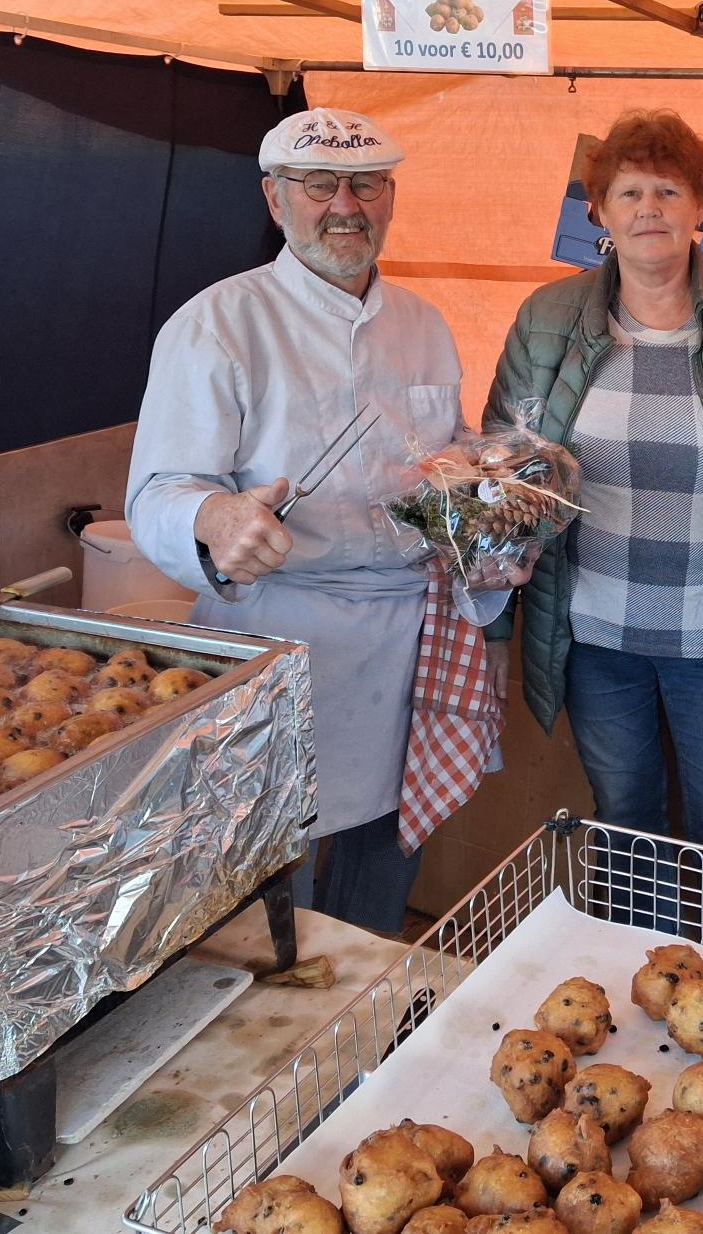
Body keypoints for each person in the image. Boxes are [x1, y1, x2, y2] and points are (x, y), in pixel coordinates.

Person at [485, 109, 703, 935]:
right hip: (594, 631)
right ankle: (647, 986)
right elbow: (501, 467)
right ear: (600, 212)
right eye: (629, 191)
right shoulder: (549, 318)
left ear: (700, 207)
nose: (649, 207)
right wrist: (491, 589)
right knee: (625, 824)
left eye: (669, 190)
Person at [126, 106, 464, 935]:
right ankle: (288, 1046)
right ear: (276, 201)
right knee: (272, 879)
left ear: (390, 199)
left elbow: (453, 457)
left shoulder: (424, 323)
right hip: (280, 634)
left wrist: (486, 489)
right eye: (320, 185)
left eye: (368, 185)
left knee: (387, 857)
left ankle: (371, 1027)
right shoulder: (217, 323)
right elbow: (157, 491)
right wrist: (215, 516)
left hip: (407, 635)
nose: (345, 204)